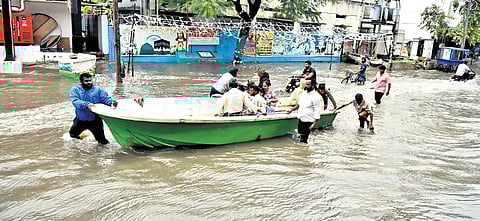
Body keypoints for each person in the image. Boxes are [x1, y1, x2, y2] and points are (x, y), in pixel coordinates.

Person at [69, 72, 117, 145]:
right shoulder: (75, 90)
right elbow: (75, 101)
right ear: (81, 81)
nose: (89, 82)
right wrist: (86, 105)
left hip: (95, 120)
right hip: (81, 119)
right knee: (72, 135)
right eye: (86, 81)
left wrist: (112, 102)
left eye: (90, 80)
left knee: (102, 141)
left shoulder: (98, 90)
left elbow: (106, 99)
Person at [287, 78, 322, 144]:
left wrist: (313, 124)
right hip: (301, 119)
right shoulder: (304, 93)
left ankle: (305, 152)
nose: (306, 86)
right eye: (306, 84)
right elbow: (299, 104)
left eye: (308, 84)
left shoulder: (316, 97)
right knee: (299, 136)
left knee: (304, 140)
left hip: (309, 121)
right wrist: (291, 109)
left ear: (313, 85)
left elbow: (317, 111)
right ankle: (300, 151)